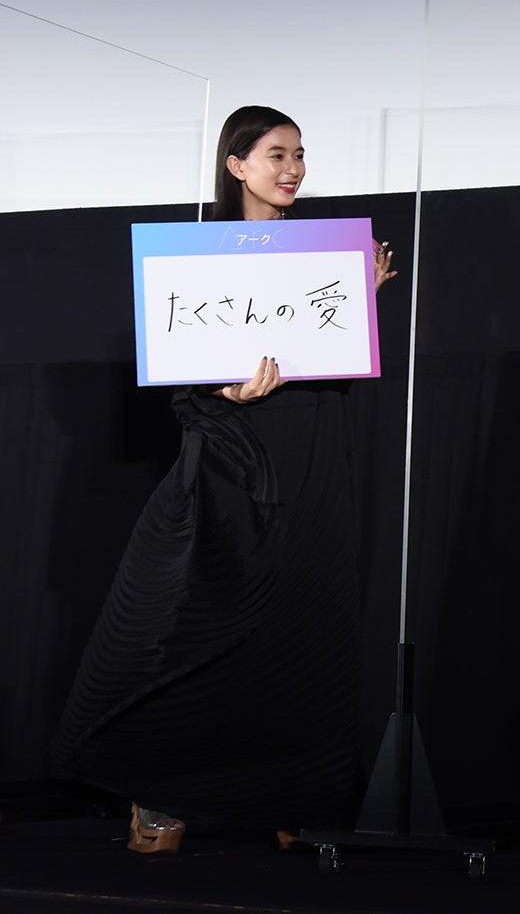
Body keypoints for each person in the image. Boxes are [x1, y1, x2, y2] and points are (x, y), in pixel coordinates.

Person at [51, 106, 396, 853]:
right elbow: (179, 378)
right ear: (237, 164)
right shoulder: (198, 252)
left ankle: (289, 793)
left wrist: (358, 298)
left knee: (301, 620)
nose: (293, 169)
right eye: (277, 154)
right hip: (232, 453)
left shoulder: (327, 254)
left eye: (299, 155)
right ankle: (158, 795)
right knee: (197, 620)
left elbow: (334, 362)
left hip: (310, 446)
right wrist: (225, 390)